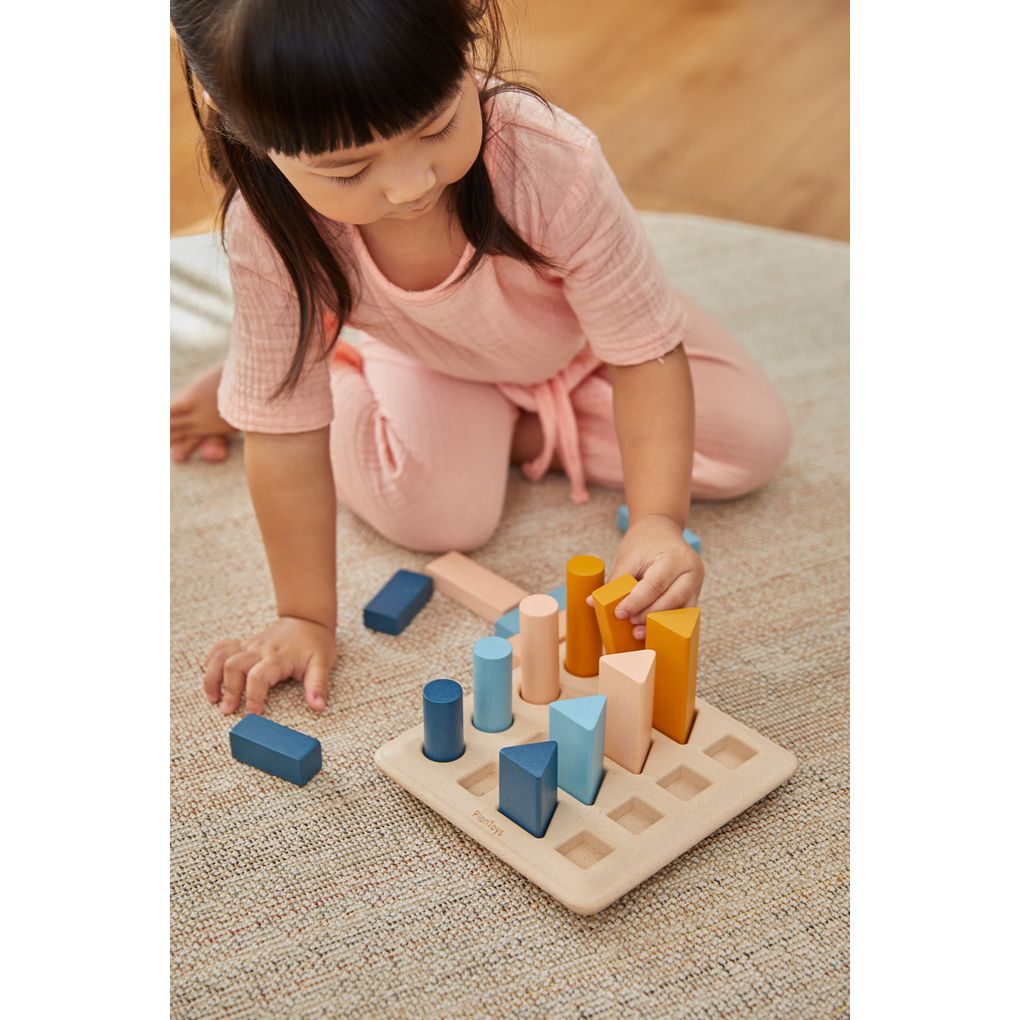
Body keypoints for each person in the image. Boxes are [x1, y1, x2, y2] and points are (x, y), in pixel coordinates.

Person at [169, 0, 791, 717]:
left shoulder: (550, 159)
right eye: (348, 170)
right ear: (241, 124)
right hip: (429, 359)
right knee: (437, 517)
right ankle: (313, 367)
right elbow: (287, 436)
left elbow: (645, 350)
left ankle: (512, 425)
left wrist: (656, 519)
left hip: (586, 342)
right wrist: (305, 616)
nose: (410, 186)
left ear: (468, 37)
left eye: (436, 126)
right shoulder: (268, 232)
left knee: (750, 445)